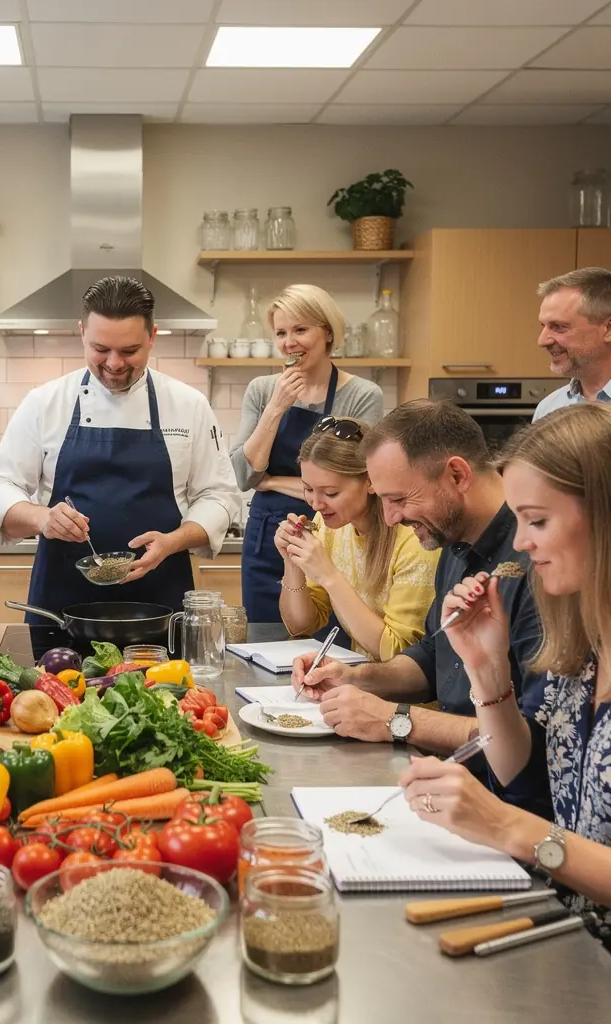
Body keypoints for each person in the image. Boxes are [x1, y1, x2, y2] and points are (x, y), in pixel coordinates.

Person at [401, 403, 611, 951]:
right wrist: (488, 671)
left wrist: (506, 826)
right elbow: (530, 786)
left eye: (537, 521)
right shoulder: (580, 651)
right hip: (570, 938)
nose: (520, 542)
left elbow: (527, 820)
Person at [291, 400, 548, 771]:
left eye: (398, 499)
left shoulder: (539, 564)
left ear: (457, 475)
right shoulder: (452, 540)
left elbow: (533, 741)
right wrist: (355, 678)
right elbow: (432, 656)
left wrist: (396, 720)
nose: (390, 518)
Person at [0, 275, 239, 621]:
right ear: (82, 333)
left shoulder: (188, 405)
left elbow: (219, 495)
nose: (115, 364)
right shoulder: (44, 402)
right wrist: (43, 518)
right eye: (101, 349)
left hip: (160, 601)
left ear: (152, 337)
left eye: (129, 351)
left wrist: (174, 541)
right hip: (60, 605)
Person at [232, 284, 384, 623]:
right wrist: (276, 408)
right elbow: (243, 475)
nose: (289, 342)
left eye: (300, 329)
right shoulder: (262, 391)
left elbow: (354, 482)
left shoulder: (362, 395)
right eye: (281, 333)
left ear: (328, 332)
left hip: (334, 540)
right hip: (266, 541)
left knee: (328, 640)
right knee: (263, 639)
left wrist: (270, 482)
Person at [276, 415, 439, 661]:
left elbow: (399, 654)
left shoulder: (414, 539)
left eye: (331, 493)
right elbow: (301, 626)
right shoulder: (329, 525)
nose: (316, 504)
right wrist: (292, 562)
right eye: (308, 489)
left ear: (370, 481)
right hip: (362, 677)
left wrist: (329, 575)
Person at [532, 267, 611, 421]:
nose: (542, 341)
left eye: (558, 326)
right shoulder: (548, 409)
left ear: (608, 329)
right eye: (543, 326)